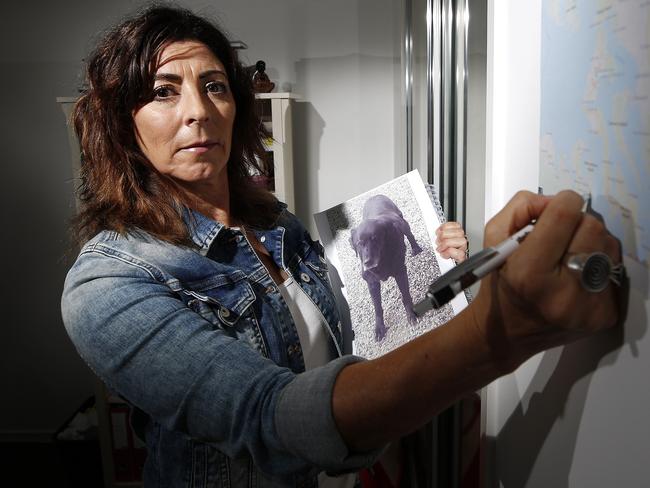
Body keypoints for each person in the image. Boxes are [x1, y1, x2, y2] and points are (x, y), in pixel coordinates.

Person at [60, 5, 624, 488]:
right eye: (163, 91)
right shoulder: (107, 284)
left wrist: (443, 269)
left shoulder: (278, 224)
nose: (199, 111)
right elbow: (269, 418)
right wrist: (504, 328)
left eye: (215, 86)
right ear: (120, 125)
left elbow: (357, 328)